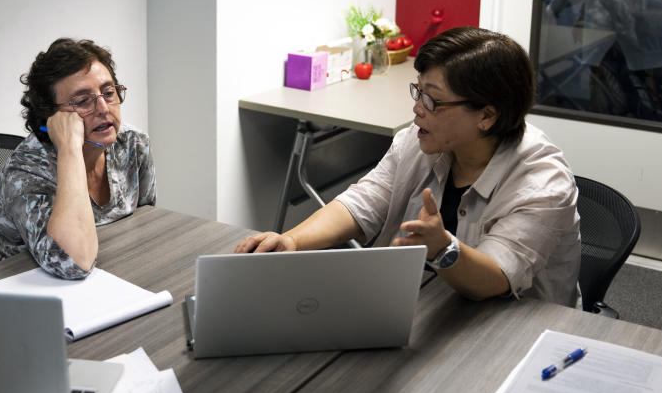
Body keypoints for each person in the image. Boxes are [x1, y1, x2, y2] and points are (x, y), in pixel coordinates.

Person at [235, 27, 581, 307]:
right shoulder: (417, 142)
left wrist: (443, 248)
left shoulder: (542, 181)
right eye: (418, 91)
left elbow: (495, 278)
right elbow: (361, 205)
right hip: (424, 305)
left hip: (509, 330)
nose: (418, 109)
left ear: (487, 116)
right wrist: (291, 242)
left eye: (432, 99)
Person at [0, 38, 155, 279]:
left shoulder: (133, 144)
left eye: (108, 92)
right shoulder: (25, 172)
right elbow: (71, 263)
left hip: (97, 273)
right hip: (0, 284)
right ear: (52, 117)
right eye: (83, 101)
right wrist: (70, 148)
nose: (103, 108)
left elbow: (145, 225)